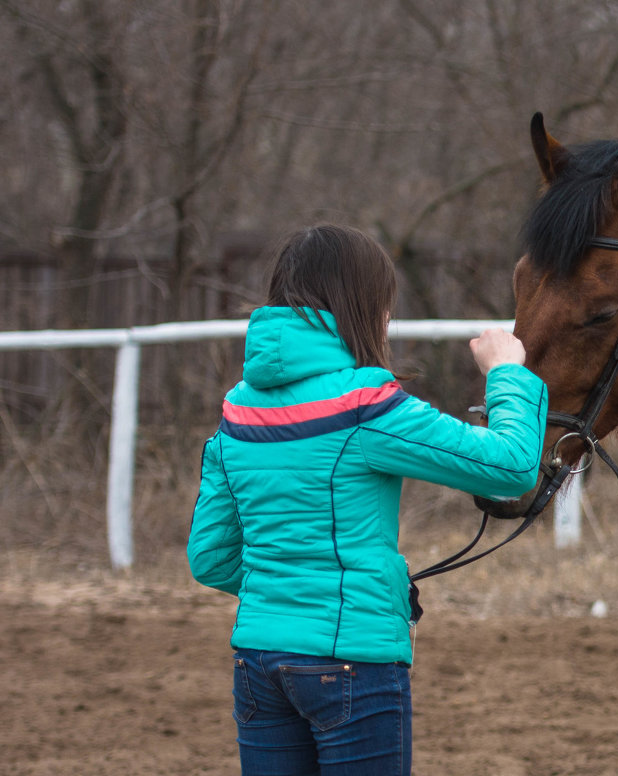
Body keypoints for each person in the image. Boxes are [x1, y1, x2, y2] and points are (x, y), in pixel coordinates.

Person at [188, 224, 547, 775]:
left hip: (257, 661)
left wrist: (288, 592)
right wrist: (506, 373)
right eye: (384, 305)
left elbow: (210, 558)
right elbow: (511, 466)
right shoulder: (366, 407)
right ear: (362, 304)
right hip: (352, 662)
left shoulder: (237, 411)